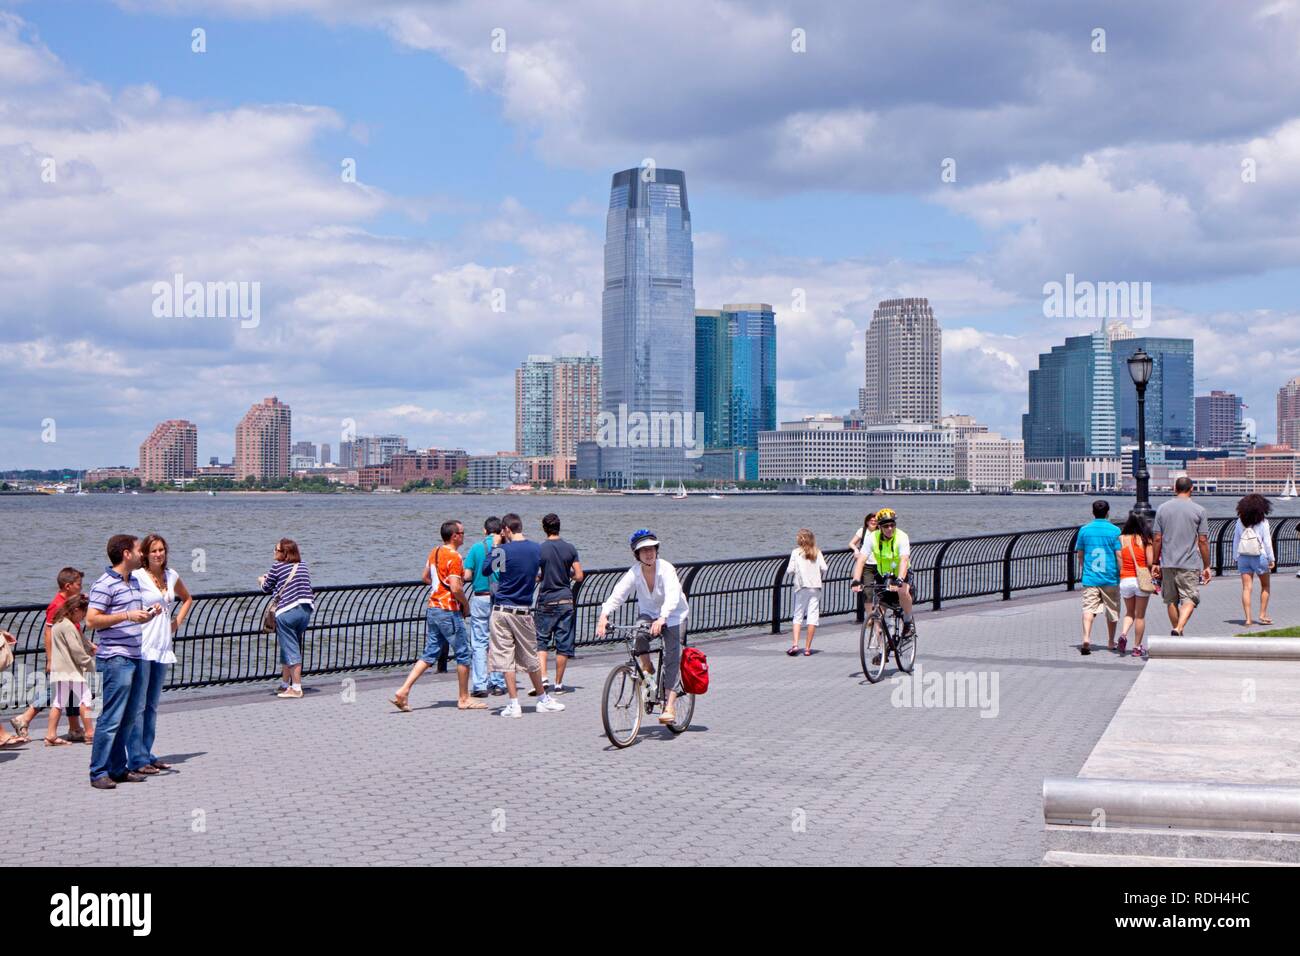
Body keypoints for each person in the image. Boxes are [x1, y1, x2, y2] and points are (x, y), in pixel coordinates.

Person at [595, 529, 689, 725]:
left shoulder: (666, 569)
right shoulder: (635, 572)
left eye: (652, 548)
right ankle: (647, 667)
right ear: (637, 554)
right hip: (649, 614)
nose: (649, 553)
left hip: (673, 616)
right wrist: (604, 615)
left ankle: (669, 706)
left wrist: (663, 617)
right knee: (638, 635)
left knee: (673, 657)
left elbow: (673, 595)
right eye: (643, 550)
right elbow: (619, 593)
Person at [86, 534, 156, 790]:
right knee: (111, 718)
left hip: (135, 655)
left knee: (128, 717)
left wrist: (145, 616)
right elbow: (92, 620)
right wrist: (127, 614)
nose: (143, 554)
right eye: (139, 550)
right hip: (115, 658)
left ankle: (118, 768)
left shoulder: (134, 581)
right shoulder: (104, 584)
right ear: (126, 553)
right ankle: (98, 772)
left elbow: (128, 618)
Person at [391, 520, 482, 712]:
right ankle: (464, 698)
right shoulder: (455, 557)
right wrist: (465, 605)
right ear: (454, 536)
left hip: (433, 607)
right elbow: (457, 588)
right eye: (462, 533)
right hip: (448, 610)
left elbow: (425, 577)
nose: (464, 536)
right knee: (464, 653)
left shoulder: (435, 552)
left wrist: (438, 587)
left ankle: (403, 690)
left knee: (430, 652)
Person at [488, 513, 565, 718]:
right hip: (523, 610)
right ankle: (542, 698)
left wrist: (496, 546)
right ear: (520, 527)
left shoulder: (502, 550)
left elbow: (489, 569)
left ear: (505, 530)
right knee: (531, 655)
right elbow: (542, 571)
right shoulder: (535, 548)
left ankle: (514, 704)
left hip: (502, 610)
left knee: (506, 659)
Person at [129, 533, 191, 773]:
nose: (158, 554)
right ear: (144, 553)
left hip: (163, 645)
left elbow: (187, 598)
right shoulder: (137, 577)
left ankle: (146, 752)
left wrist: (177, 622)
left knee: (152, 705)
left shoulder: (171, 575)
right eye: (154, 550)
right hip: (143, 644)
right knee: (139, 705)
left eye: (161, 550)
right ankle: (136, 758)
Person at [10, 567, 86, 742]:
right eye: (78, 585)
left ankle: (75, 728)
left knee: (70, 690)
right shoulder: (57, 605)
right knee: (55, 691)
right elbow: (48, 632)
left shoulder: (70, 603)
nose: (81, 588)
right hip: (61, 658)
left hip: (70, 656)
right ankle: (24, 718)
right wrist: (50, 659)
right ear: (68, 586)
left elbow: (74, 627)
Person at [1152, 477, 1211, 636]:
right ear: (1191, 488)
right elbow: (1203, 540)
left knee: (1170, 600)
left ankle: (1178, 631)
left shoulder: (1162, 509)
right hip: (1189, 563)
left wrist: (1155, 563)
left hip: (1167, 563)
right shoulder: (1199, 510)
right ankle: (1178, 628)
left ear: (1175, 488)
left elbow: (1157, 538)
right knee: (1190, 599)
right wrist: (1206, 565)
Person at [849, 508, 916, 645]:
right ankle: (881, 647)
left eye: (892, 525)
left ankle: (908, 622)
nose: (889, 528)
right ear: (879, 527)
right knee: (880, 608)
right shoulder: (872, 538)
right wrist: (856, 580)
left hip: (902, 573)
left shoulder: (902, 536)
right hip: (883, 573)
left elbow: (904, 559)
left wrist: (900, 580)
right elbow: (861, 559)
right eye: (885, 526)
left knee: (903, 591)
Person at [534, 513, 583, 694]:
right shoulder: (570, 548)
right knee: (563, 644)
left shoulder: (540, 549)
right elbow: (579, 575)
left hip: (546, 599)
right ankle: (559, 684)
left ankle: (544, 677)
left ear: (544, 528)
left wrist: (542, 576)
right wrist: (567, 574)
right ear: (559, 527)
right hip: (565, 599)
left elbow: (534, 575)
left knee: (542, 641)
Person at [259, 538, 314, 699]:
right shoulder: (303, 566)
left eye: (276, 550)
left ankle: (296, 688)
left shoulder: (277, 566)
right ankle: (285, 684)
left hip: (287, 612)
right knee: (288, 646)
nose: (274, 553)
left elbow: (266, 587)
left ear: (285, 553)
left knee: (291, 649)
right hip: (305, 610)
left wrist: (262, 579)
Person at [462, 516, 507, 698]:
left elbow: (466, 575)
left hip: (480, 598)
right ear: (501, 531)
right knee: (497, 641)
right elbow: (501, 574)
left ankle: (480, 685)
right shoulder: (501, 549)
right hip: (498, 599)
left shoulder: (476, 548)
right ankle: (497, 683)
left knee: (479, 643)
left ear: (484, 530)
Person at [44, 595, 96, 748]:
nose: (83, 617)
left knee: (59, 702)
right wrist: (89, 663)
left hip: (60, 671)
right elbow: (76, 650)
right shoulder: (68, 626)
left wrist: (88, 646)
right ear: (75, 610)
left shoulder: (58, 624)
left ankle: (51, 735)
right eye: (83, 613)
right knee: (85, 699)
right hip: (71, 671)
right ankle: (90, 733)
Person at [1076, 499, 1122, 655]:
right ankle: (1110, 642)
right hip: (1110, 576)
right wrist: (1121, 573)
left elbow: (1080, 554)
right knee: (1112, 610)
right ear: (1108, 513)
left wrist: (1084, 568)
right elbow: (1119, 555)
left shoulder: (1084, 530)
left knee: (1088, 608)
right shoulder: (1115, 531)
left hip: (1091, 577)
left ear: (1093, 512)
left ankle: (1086, 637)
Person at [1232, 493, 1275, 627]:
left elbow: (1236, 540)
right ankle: (1262, 615)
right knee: (1265, 586)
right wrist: (1271, 558)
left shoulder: (1239, 521)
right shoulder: (1263, 522)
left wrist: (1235, 557)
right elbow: (1267, 542)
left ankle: (1248, 619)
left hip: (1243, 556)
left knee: (1246, 588)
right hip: (1259, 556)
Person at [1117, 512, 1154, 659]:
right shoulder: (1146, 539)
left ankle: (1123, 634)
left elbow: (1119, 558)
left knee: (1129, 612)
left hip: (1125, 579)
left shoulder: (1121, 538)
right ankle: (1137, 647)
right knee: (1140, 616)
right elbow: (1150, 562)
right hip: (1140, 580)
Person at [786, 529, 827, 656]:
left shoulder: (796, 552)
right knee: (812, 617)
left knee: (798, 615)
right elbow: (824, 568)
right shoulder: (817, 551)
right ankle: (808, 648)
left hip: (801, 587)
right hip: (815, 587)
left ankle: (795, 644)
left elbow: (790, 570)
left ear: (801, 539)